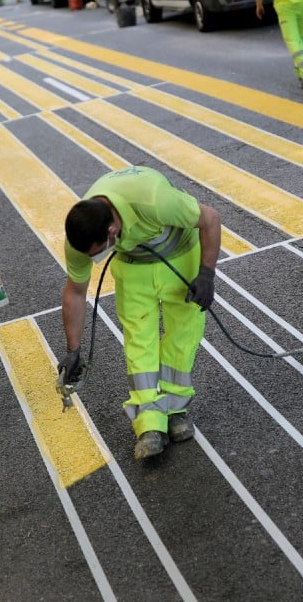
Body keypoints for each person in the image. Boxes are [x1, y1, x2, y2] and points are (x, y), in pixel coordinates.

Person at [60, 167, 222, 460]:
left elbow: (210, 218)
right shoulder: (81, 235)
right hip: (133, 269)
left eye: (97, 252)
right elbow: (75, 291)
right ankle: (149, 424)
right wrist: (73, 350)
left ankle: (175, 410)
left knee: (182, 336)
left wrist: (207, 274)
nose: (93, 260)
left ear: (112, 232)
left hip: (181, 258)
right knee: (139, 341)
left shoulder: (154, 199)